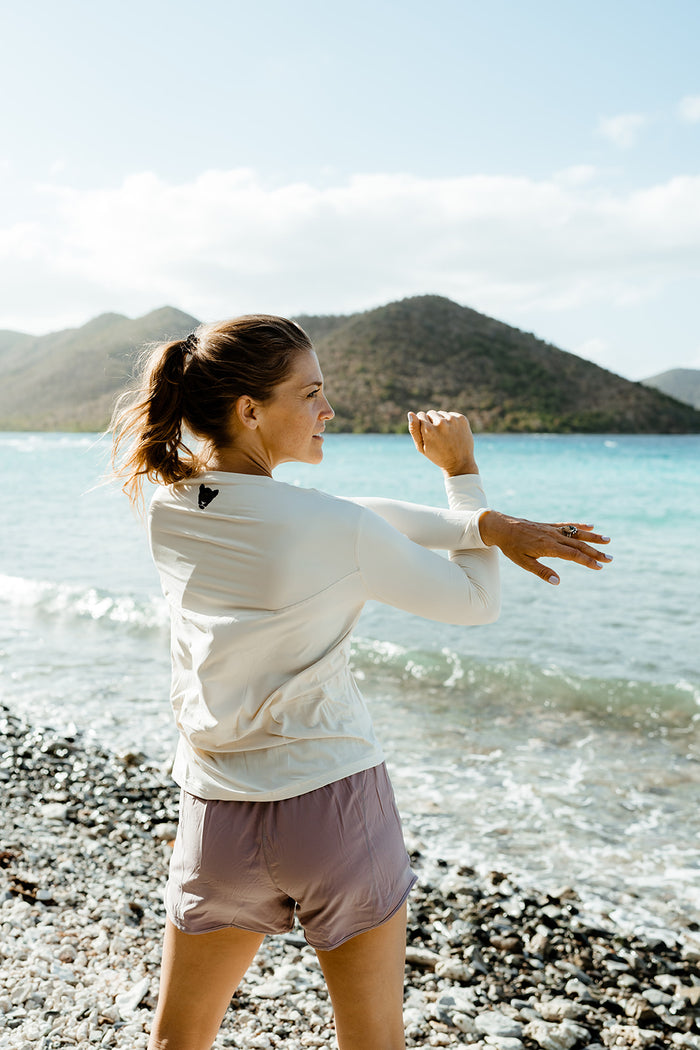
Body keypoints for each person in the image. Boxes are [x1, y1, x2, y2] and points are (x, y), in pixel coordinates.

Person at [111, 314, 611, 1050]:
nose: (327, 410)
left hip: (217, 814)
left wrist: (487, 526)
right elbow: (473, 603)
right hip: (332, 806)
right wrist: (461, 477)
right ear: (250, 410)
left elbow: (349, 518)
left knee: (179, 1038)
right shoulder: (329, 529)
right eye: (311, 392)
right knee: (372, 1040)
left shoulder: (170, 509)